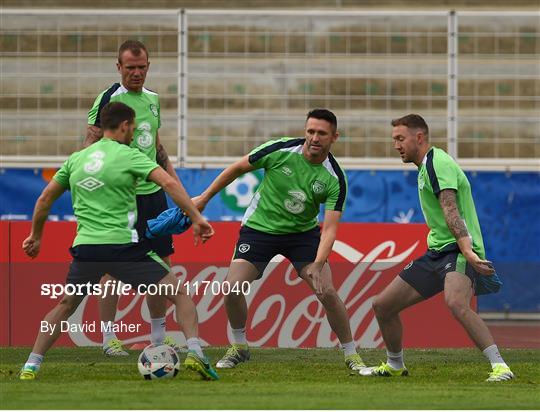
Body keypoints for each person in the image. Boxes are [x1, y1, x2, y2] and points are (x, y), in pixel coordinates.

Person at [19, 102, 219, 381]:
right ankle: (196, 352)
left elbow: (44, 200)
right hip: (124, 248)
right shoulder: (129, 155)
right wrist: (196, 218)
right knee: (180, 293)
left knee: (65, 304)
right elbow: (169, 184)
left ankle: (31, 365)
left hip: (87, 249)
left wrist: (35, 236)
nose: (133, 133)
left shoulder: (77, 159)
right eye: (133, 128)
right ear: (124, 126)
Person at [193, 109, 366, 371]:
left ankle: (352, 354)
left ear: (334, 137)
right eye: (310, 131)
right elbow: (238, 168)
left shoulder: (335, 178)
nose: (314, 138)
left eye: (321, 133)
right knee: (232, 288)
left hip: (302, 236)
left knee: (327, 291)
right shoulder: (280, 149)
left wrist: (318, 264)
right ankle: (239, 346)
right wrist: (204, 198)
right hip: (259, 230)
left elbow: (329, 229)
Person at [358, 114, 514, 382]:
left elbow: (450, 209)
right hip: (436, 252)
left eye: (400, 138)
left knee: (455, 302)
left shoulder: (436, 163)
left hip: (457, 249)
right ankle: (395, 365)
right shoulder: (424, 167)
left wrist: (467, 251)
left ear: (419, 138)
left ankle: (500, 367)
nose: (396, 145)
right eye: (394, 139)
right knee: (383, 305)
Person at [84, 40, 178, 356]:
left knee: (160, 266)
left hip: (153, 198)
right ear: (119, 67)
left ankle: (158, 337)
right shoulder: (110, 98)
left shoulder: (153, 100)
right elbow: (89, 147)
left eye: (141, 67)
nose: (136, 73)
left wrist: (175, 191)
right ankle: (108, 338)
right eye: (130, 67)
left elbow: (158, 149)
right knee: (114, 268)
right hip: (121, 198)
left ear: (148, 66)